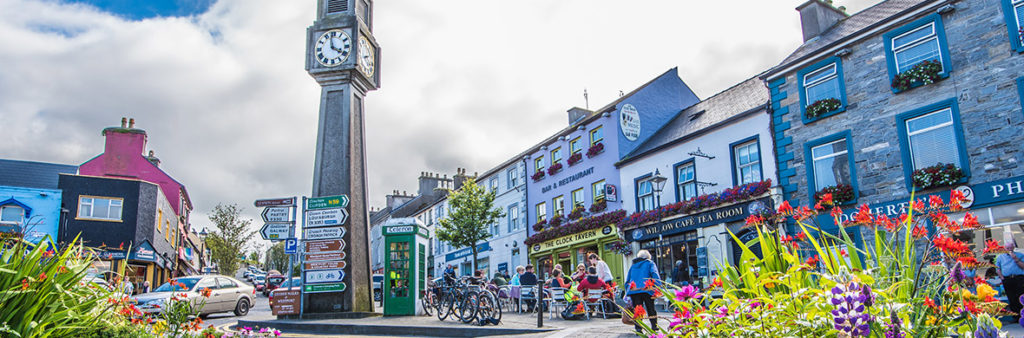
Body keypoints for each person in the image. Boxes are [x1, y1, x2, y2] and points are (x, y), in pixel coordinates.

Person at [625, 250, 661, 334]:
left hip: (634, 291)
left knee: (638, 310)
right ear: (648, 257)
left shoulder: (633, 265)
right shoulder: (650, 263)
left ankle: (638, 328)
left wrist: (628, 290)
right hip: (647, 289)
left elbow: (628, 279)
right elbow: (654, 274)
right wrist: (658, 287)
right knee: (650, 308)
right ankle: (654, 326)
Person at [996, 240, 1024, 318]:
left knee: (1020, 296)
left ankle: (1022, 314)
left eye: (1011, 248)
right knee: (1011, 297)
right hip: (1007, 279)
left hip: (1019, 278)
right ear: (1004, 248)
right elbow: (997, 268)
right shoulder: (1000, 257)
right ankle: (1015, 316)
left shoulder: (1020, 255)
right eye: (1007, 248)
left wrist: (1016, 259)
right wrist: (1002, 278)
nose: (1009, 250)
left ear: (1013, 248)